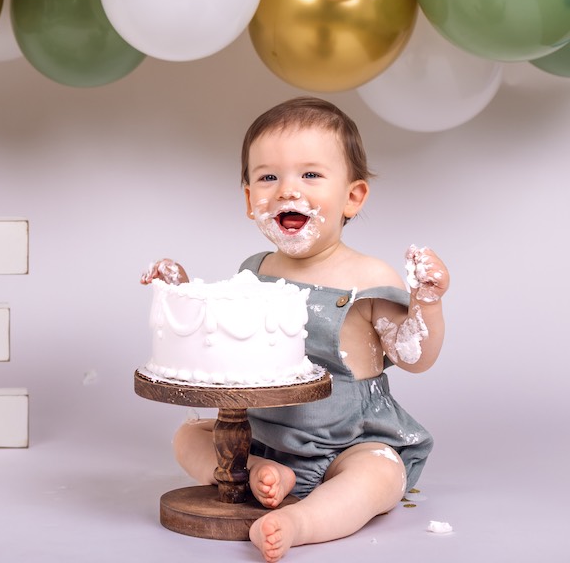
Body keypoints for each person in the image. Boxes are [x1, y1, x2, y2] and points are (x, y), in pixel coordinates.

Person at [141, 96, 449, 563]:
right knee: (188, 436)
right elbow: (222, 332)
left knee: (379, 476)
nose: (287, 190)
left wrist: (427, 302)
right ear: (249, 200)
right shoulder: (255, 268)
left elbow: (414, 355)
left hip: (351, 438)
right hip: (263, 432)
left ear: (353, 196)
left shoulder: (368, 275)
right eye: (268, 177)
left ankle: (300, 522)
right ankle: (263, 472)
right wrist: (181, 293)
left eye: (310, 174)